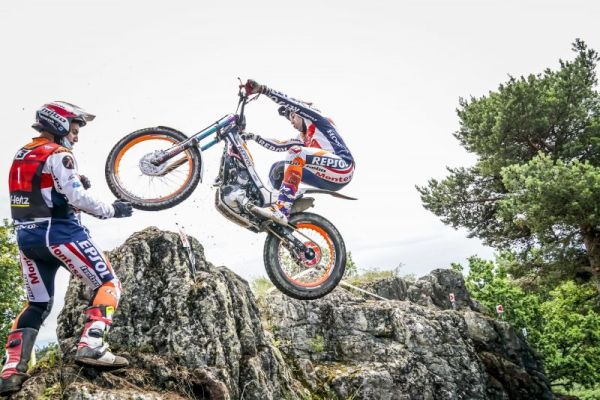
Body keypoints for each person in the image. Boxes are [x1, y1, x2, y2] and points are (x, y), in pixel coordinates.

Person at [1, 101, 133, 394]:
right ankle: (92, 344)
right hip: (60, 233)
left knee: (37, 304)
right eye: (74, 130)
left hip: (27, 239)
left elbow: (39, 190)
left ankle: (10, 372)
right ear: (59, 124)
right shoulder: (60, 154)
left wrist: (72, 185)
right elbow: (77, 199)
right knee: (108, 283)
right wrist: (113, 210)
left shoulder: (22, 153)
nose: (75, 137)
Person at [243, 79, 355, 224]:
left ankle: (282, 208)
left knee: (295, 152)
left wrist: (264, 90)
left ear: (301, 113)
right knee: (278, 168)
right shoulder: (303, 138)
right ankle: (274, 208)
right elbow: (279, 145)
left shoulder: (317, 119)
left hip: (343, 166)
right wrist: (253, 137)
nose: (291, 122)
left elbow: (292, 103)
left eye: (293, 117)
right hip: (326, 176)